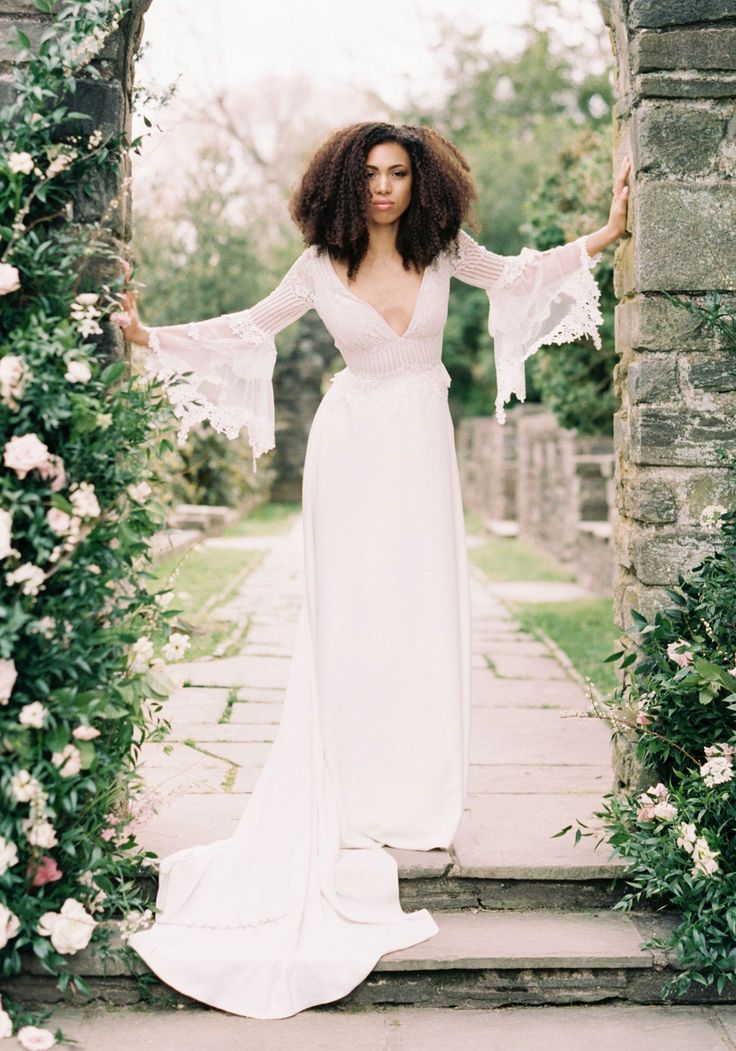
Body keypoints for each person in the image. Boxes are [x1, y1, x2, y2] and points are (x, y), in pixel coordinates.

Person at [113, 121, 630, 1019]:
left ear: (420, 182)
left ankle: (413, 791)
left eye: (398, 173)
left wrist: (610, 234)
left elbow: (520, 273)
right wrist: (148, 335)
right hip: (348, 452)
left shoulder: (441, 251)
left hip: (420, 451)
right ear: (344, 184)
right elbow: (249, 325)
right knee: (350, 621)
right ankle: (349, 787)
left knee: (422, 615)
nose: (385, 188)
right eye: (371, 175)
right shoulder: (319, 264)